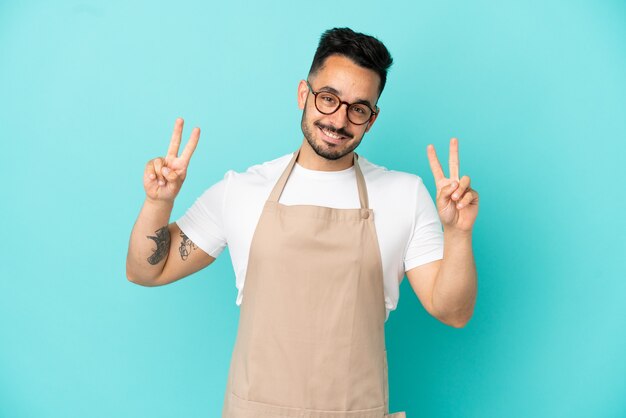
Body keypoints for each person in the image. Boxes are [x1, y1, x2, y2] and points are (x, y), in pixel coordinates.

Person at [126, 27, 478, 418]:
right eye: (328, 99)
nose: (339, 119)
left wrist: (458, 234)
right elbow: (146, 271)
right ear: (302, 96)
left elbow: (453, 312)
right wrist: (159, 203)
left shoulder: (404, 195)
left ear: (371, 119)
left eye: (358, 108)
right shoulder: (241, 190)